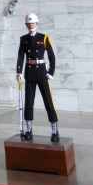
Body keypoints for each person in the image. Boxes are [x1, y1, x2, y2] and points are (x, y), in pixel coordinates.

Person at [16, 13, 59, 142]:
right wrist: (18, 72)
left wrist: (50, 72)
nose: (31, 25)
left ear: (37, 24)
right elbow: (20, 56)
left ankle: (55, 130)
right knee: (28, 102)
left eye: (33, 23)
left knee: (48, 101)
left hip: (41, 73)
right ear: (26, 25)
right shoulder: (23, 39)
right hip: (29, 73)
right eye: (28, 23)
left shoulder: (44, 38)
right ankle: (28, 129)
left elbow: (51, 56)